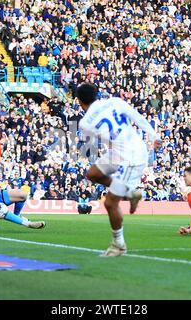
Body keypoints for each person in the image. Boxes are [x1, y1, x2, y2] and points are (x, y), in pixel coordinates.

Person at [76, 83, 162, 257]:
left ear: (79, 101)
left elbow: (92, 144)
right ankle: (130, 193)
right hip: (125, 150)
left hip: (130, 158)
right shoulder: (115, 101)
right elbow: (137, 117)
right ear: (97, 94)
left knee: (110, 203)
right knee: (93, 173)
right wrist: (154, 136)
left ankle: (118, 245)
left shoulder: (84, 123)